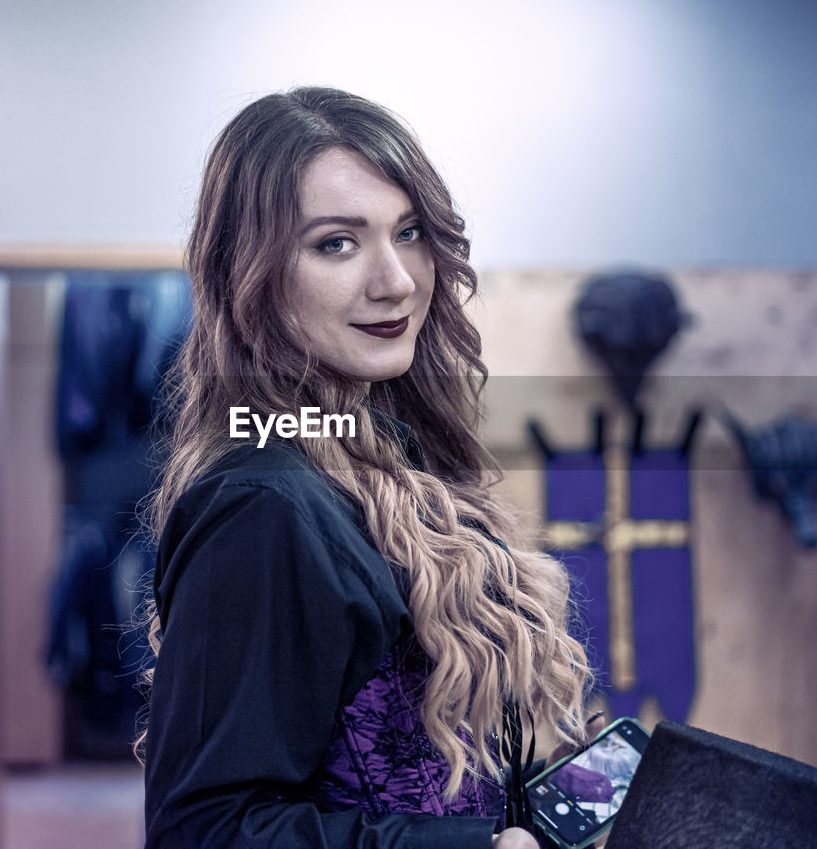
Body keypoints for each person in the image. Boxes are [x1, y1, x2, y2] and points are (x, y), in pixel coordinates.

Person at [139, 86, 594, 849]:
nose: (398, 280)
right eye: (336, 243)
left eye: (410, 232)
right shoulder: (262, 501)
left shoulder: (380, 450)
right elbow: (202, 831)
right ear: (250, 274)